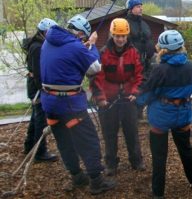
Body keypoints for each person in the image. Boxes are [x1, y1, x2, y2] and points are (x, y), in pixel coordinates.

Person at [40, 15, 116, 194]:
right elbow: (95, 68)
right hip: (69, 104)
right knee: (88, 140)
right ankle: (96, 180)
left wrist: (83, 47)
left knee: (64, 141)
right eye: (83, 37)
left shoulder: (48, 42)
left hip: (49, 103)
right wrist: (92, 47)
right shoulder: (75, 46)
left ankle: (76, 175)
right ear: (81, 33)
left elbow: (65, 59)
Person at [136, 30, 192, 199]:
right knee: (186, 150)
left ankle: (158, 192)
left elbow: (148, 94)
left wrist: (138, 100)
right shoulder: (190, 66)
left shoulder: (160, 70)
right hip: (183, 114)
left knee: (159, 156)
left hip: (161, 117)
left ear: (163, 49)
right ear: (181, 47)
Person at [91, 18, 144, 177]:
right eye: (117, 36)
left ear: (127, 36)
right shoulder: (103, 53)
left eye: (123, 36)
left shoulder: (134, 52)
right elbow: (96, 78)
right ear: (112, 35)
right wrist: (100, 98)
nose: (120, 39)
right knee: (109, 132)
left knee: (131, 130)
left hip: (128, 97)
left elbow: (140, 75)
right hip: (109, 97)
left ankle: (136, 160)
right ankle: (111, 164)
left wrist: (135, 92)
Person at [23, 18, 58, 163]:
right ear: (44, 31)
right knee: (40, 120)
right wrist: (43, 89)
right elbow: (37, 72)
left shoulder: (37, 44)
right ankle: (39, 151)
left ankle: (29, 146)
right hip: (37, 87)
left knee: (35, 118)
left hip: (34, 85)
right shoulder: (37, 47)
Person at [125, 0, 155, 119]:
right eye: (138, 6)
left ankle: (139, 113)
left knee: (144, 85)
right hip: (133, 63)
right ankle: (131, 115)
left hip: (146, 61)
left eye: (141, 6)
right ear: (131, 9)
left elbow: (149, 39)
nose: (141, 8)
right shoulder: (125, 23)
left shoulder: (144, 24)